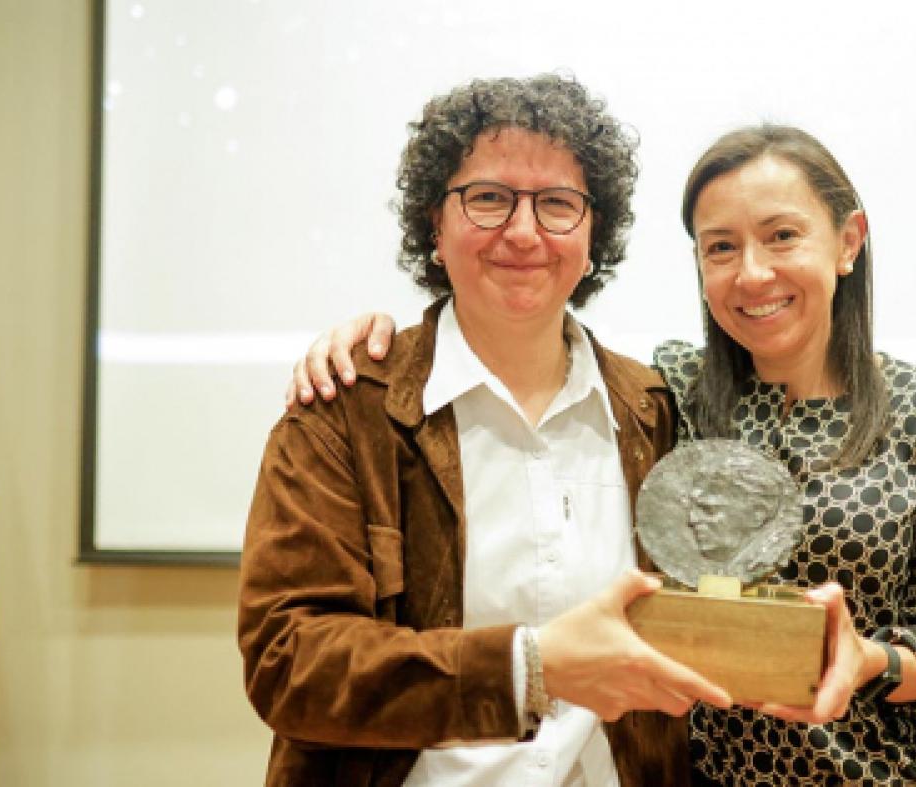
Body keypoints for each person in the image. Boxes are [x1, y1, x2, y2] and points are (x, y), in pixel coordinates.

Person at [291, 125, 916, 785]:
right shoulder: (669, 399)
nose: (752, 273)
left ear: (849, 240)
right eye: (720, 246)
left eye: (782, 235)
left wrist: (871, 662)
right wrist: (378, 335)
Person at [237, 74, 732, 787]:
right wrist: (530, 667)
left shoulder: (654, 410)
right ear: (435, 227)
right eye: (489, 198)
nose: (524, 232)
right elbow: (290, 662)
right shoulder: (344, 408)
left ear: (594, 235)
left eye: (558, 204)